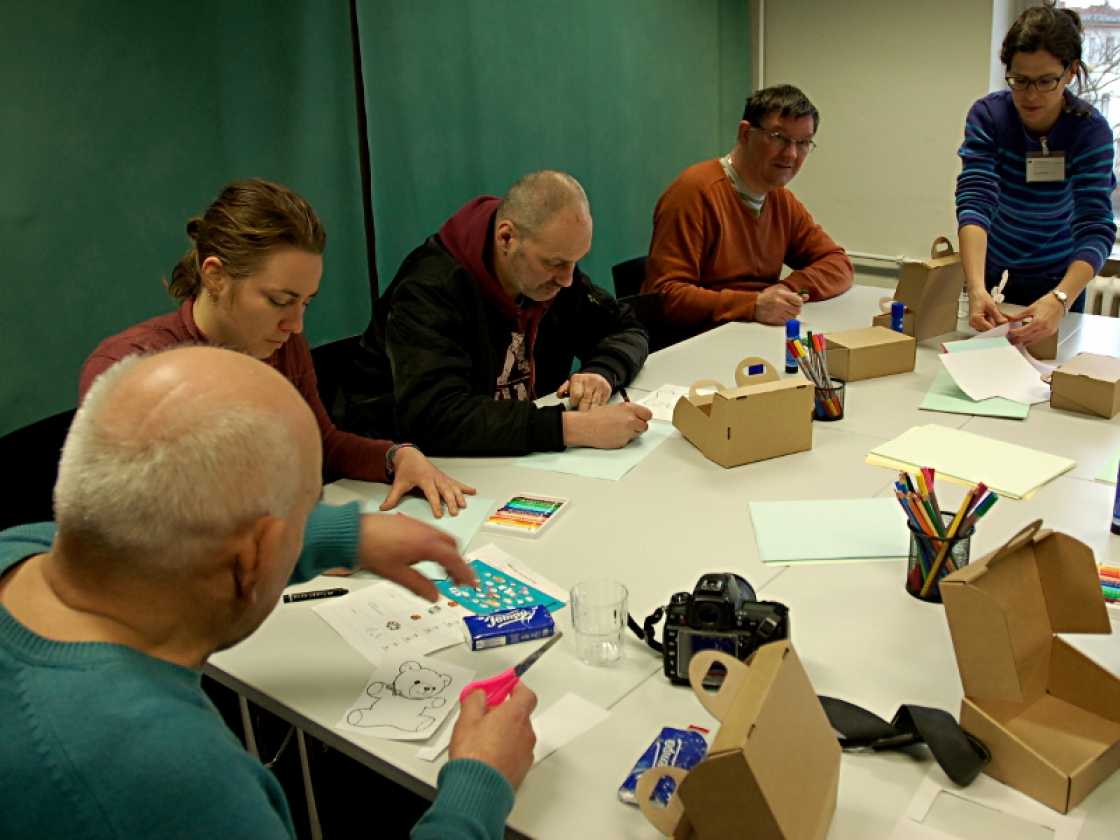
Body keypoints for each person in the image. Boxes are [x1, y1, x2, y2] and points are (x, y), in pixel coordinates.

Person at [0, 346, 537, 840]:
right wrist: (478, 788)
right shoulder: (172, 778)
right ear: (256, 555)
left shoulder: (24, 550)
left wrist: (343, 535)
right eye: (305, 514)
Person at [79, 179, 473, 517]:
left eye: (306, 303)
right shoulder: (127, 368)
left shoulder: (283, 344)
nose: (296, 325)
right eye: (279, 301)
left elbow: (321, 442)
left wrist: (395, 457)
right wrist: (310, 540)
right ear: (214, 275)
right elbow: (152, 519)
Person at [338, 170, 652, 456]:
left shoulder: (548, 277)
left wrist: (601, 372)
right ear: (506, 238)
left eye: (575, 261)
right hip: (411, 468)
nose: (568, 279)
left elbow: (626, 329)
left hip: (512, 454)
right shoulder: (430, 290)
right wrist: (572, 427)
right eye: (554, 263)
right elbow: (434, 417)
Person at [957, 1, 1117, 346]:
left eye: (1046, 81)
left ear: (1071, 72)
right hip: (992, 276)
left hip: (1061, 279)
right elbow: (975, 202)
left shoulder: (1090, 131)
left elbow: (1096, 225)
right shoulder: (989, 117)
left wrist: (1061, 298)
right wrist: (976, 287)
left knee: (1049, 382)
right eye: (1019, 80)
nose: (1030, 95)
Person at [642, 84, 853, 334]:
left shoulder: (782, 201)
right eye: (779, 137)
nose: (792, 154)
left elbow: (838, 264)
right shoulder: (695, 193)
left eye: (803, 143)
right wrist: (752, 305)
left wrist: (787, 290)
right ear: (745, 134)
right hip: (697, 342)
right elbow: (665, 297)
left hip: (749, 333)